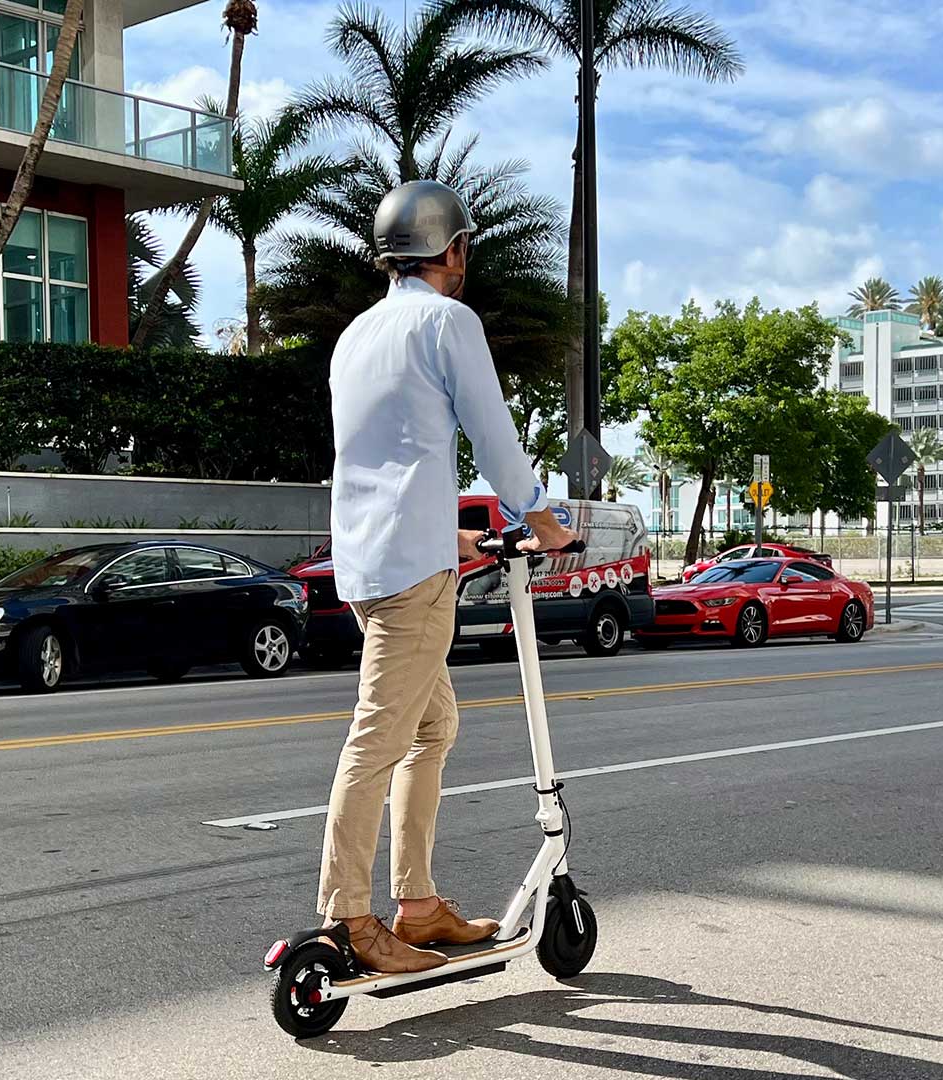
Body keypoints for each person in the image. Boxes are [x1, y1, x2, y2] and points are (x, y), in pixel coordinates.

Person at [318, 180, 579, 974]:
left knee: (431, 728)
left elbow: (384, 457)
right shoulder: (446, 321)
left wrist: (454, 532)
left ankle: (420, 904)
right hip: (413, 578)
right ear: (453, 250)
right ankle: (348, 917)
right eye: (465, 247)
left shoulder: (356, 335)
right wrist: (543, 520)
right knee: (378, 738)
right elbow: (493, 438)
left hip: (367, 566)